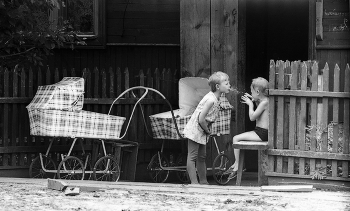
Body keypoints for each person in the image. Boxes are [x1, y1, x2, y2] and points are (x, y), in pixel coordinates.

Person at [183, 71, 231, 184]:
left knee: (202, 156)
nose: (229, 85)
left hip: (202, 130)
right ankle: (194, 183)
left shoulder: (216, 98)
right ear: (218, 87)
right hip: (196, 129)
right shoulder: (211, 100)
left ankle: (204, 182)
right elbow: (201, 118)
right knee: (192, 156)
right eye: (227, 83)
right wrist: (207, 130)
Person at [226, 77, 269, 180]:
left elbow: (252, 117)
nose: (251, 93)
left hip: (262, 133)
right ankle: (237, 164)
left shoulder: (264, 103)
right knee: (237, 138)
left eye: (252, 91)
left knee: (236, 138)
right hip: (261, 132)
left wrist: (250, 104)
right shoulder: (265, 100)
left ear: (257, 91)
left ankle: (237, 165)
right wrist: (254, 100)